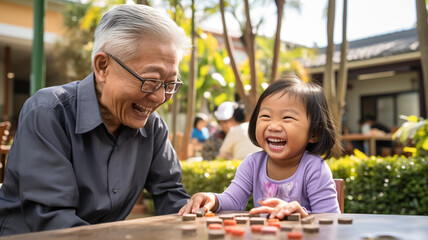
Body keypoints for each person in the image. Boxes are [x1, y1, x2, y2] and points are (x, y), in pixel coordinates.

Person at [0, 4, 191, 236]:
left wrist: (198, 214)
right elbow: (53, 219)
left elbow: (170, 193)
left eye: (170, 84)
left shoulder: (153, 127)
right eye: (151, 81)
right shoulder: (49, 112)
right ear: (103, 67)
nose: (161, 97)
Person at [178, 74, 342, 219]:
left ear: (314, 133)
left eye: (287, 118)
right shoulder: (253, 163)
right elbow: (234, 200)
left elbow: (331, 219)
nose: (273, 126)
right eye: (266, 116)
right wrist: (213, 199)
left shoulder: (314, 168)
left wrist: (302, 214)